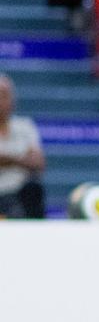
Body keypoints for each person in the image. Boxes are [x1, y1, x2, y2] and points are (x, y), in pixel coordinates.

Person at [0, 74, 45, 219]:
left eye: (4, 96)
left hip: (19, 191)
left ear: (12, 100)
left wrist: (7, 160)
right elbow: (28, 160)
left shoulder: (25, 126)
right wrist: (20, 159)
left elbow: (38, 163)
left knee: (34, 189)